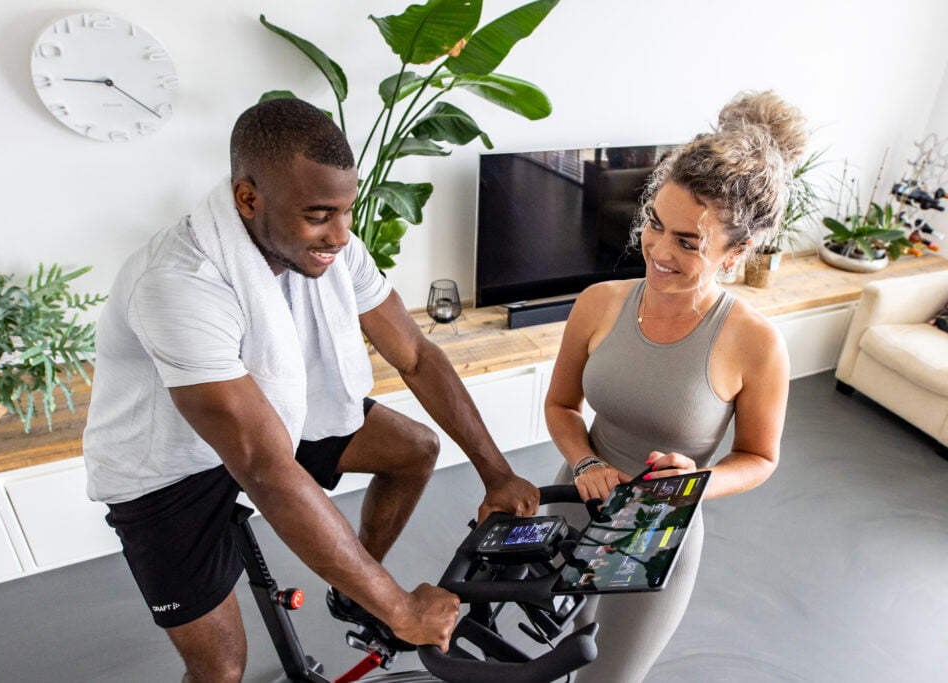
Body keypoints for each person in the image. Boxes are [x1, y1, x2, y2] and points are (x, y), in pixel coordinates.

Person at [82, 97, 539, 682]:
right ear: (248, 198)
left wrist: (495, 472)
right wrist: (401, 608)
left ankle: (355, 588)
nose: (341, 235)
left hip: (270, 414)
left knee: (413, 449)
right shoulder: (178, 283)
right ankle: (372, 596)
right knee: (220, 670)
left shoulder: (331, 242)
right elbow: (266, 469)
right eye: (320, 214)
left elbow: (417, 355)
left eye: (347, 211)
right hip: (166, 467)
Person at [544, 90, 804, 682]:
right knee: (552, 658)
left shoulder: (756, 344)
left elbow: (760, 457)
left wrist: (698, 480)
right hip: (578, 498)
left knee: (608, 677)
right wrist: (585, 462)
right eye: (655, 226)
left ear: (736, 253)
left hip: (659, 527)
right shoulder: (598, 304)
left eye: (689, 242)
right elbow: (561, 405)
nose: (658, 251)